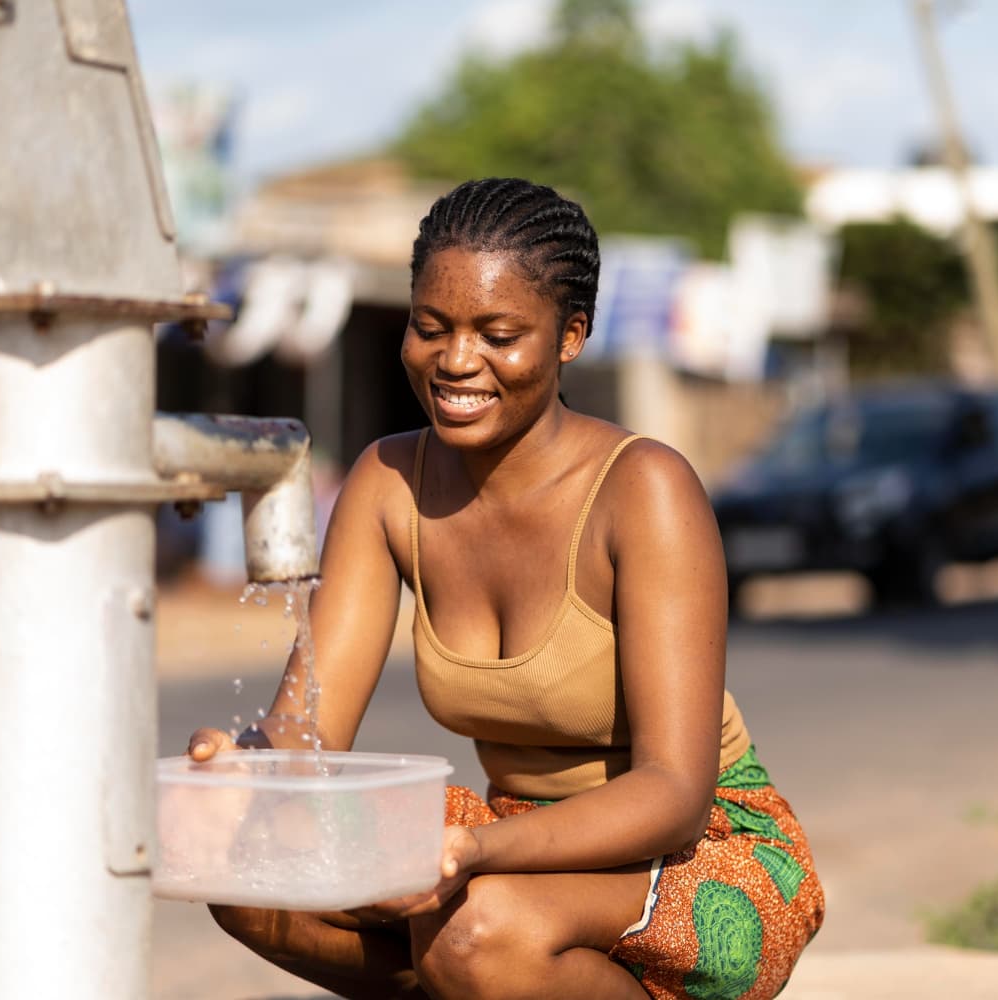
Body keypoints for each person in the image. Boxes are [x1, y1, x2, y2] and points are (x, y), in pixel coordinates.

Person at [188, 177, 824, 1000]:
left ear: (570, 337)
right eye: (430, 328)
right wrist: (249, 772)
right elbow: (306, 732)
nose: (456, 361)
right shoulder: (386, 484)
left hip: (706, 856)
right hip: (515, 847)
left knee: (475, 931)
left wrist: (470, 854)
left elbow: (674, 794)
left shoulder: (645, 491)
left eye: (498, 334)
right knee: (244, 872)